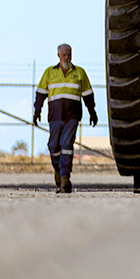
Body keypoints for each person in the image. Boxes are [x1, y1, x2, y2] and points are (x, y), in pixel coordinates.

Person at [33, 43, 97, 194]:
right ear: (58, 56)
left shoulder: (80, 73)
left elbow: (88, 94)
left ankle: (65, 178)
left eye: (69, 54)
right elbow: (41, 93)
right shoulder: (49, 73)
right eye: (64, 55)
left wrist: (92, 111)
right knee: (54, 146)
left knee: (66, 145)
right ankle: (58, 170)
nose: (67, 57)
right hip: (54, 116)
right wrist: (37, 111)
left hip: (72, 116)